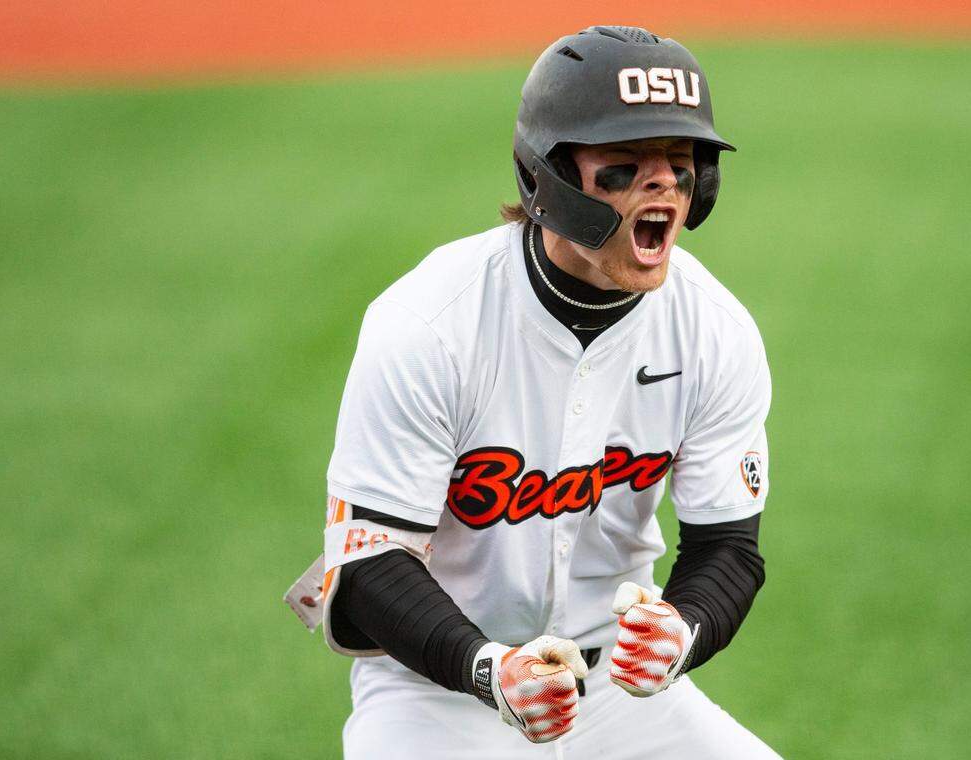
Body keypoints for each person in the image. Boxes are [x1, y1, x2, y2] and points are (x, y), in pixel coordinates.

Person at [309, 25, 778, 759]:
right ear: (547, 177)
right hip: (440, 690)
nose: (663, 184)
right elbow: (369, 565)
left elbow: (728, 549)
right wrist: (490, 670)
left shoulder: (713, 329)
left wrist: (684, 629)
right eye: (626, 165)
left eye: (681, 164)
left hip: (619, 696)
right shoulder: (431, 324)